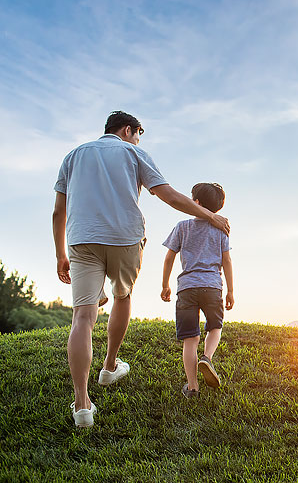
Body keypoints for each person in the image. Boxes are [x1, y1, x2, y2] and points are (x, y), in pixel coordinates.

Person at [53, 111, 230, 428]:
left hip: (81, 240)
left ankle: (82, 405)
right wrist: (211, 217)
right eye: (137, 134)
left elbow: (58, 212)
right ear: (128, 130)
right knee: (123, 296)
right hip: (124, 239)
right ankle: (109, 367)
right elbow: (170, 196)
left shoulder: (74, 155)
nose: (137, 139)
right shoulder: (134, 153)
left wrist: (59, 255)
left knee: (82, 316)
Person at [160, 182, 235, 398]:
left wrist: (165, 284)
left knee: (190, 339)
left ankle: (192, 387)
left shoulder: (182, 226)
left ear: (196, 203)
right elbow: (227, 260)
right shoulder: (221, 229)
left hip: (187, 288)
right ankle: (207, 358)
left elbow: (169, 257)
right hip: (212, 286)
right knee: (215, 327)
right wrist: (230, 290)